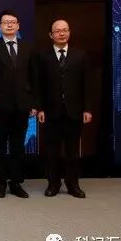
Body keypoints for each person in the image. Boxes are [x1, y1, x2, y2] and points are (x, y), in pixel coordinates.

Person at [38, 19, 92, 198]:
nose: (61, 33)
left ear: (69, 32)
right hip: (50, 112)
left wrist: (87, 109)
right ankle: (53, 183)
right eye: (57, 31)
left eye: (65, 30)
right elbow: (39, 85)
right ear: (50, 35)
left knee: (72, 151)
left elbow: (87, 85)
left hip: (74, 111)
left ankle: (73, 184)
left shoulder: (80, 56)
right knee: (51, 151)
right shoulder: (43, 56)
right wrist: (40, 108)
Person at [0, 10, 37, 199]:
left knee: (18, 146)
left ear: (18, 26)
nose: (9, 25)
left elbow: (34, 77)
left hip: (22, 105)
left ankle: (16, 183)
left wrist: (34, 103)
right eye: (5, 22)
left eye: (12, 22)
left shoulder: (28, 47)